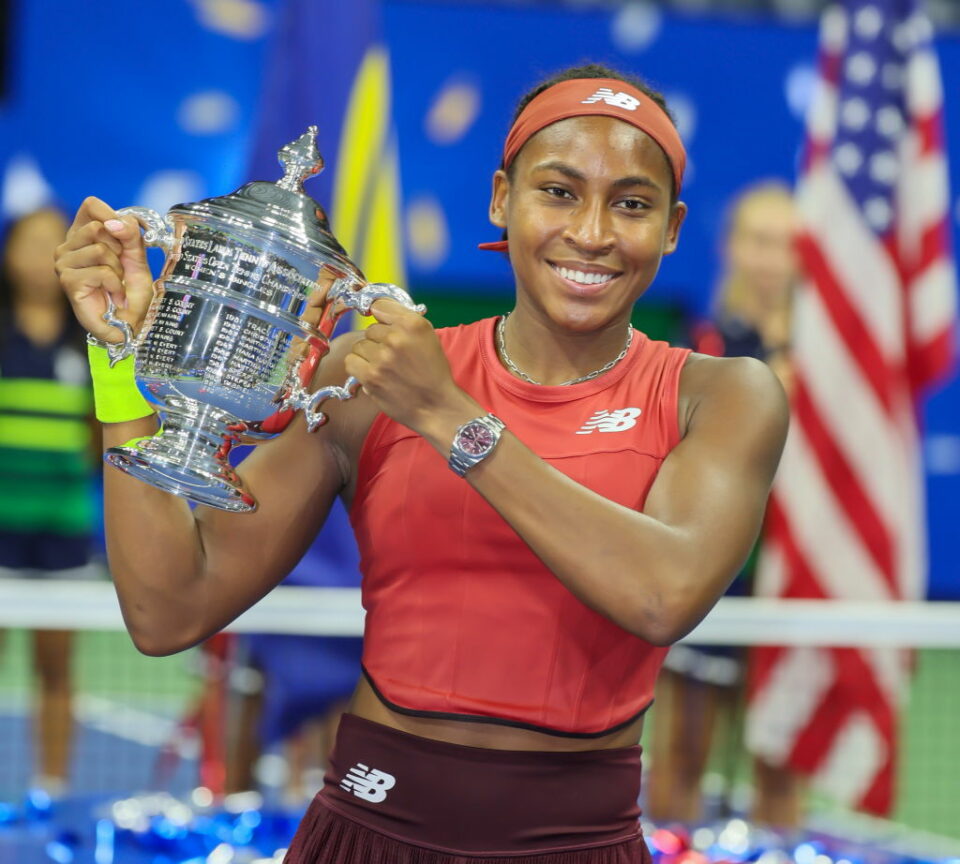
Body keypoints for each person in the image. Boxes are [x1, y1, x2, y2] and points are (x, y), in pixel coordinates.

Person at [55, 64, 789, 862]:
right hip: (367, 832)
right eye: (560, 191)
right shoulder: (370, 380)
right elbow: (169, 609)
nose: (593, 232)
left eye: (633, 205)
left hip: (583, 844)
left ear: (673, 227)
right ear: (501, 198)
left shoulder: (720, 396)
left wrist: (447, 415)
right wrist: (118, 358)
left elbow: (662, 596)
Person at [645, 181, 797, 825]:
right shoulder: (702, 340)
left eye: (788, 245)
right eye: (759, 240)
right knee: (684, 748)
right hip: (718, 571)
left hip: (793, 573)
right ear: (733, 247)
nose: (772, 258)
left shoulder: (840, 356)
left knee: (781, 749)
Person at [0, 206, 99, 799]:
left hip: (62, 533)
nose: (40, 255)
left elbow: (96, 433)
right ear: (8, 255)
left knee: (56, 668)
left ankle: (52, 789)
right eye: (29, 243)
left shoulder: (89, 338)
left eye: (51, 244)